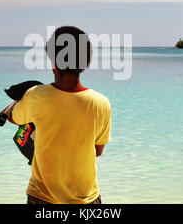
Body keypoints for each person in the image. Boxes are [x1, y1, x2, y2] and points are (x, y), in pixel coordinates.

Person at [9, 26, 111, 204]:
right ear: (84, 63)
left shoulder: (36, 96)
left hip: (41, 198)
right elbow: (97, 150)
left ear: (53, 63)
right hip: (86, 199)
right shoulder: (101, 103)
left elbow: (13, 118)